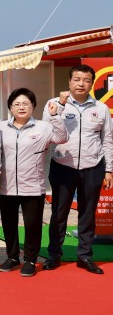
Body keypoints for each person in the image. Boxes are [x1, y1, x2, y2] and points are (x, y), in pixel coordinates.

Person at [42, 64, 113, 274]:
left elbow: (107, 140)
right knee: (59, 212)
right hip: (63, 166)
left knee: (88, 213)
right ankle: (54, 254)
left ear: (92, 83)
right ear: (69, 81)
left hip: (93, 166)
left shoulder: (101, 108)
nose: (81, 84)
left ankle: (85, 256)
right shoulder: (54, 103)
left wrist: (109, 170)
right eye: (77, 79)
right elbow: (47, 130)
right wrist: (61, 105)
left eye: (86, 80)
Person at [0, 88, 66, 277]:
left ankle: (30, 259)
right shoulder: (0, 127)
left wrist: (55, 116)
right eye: (17, 104)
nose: (21, 107)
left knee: (32, 225)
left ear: (33, 106)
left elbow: (62, 138)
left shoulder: (43, 127)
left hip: (33, 185)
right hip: (7, 185)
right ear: (10, 107)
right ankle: (12, 257)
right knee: (9, 223)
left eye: (25, 104)